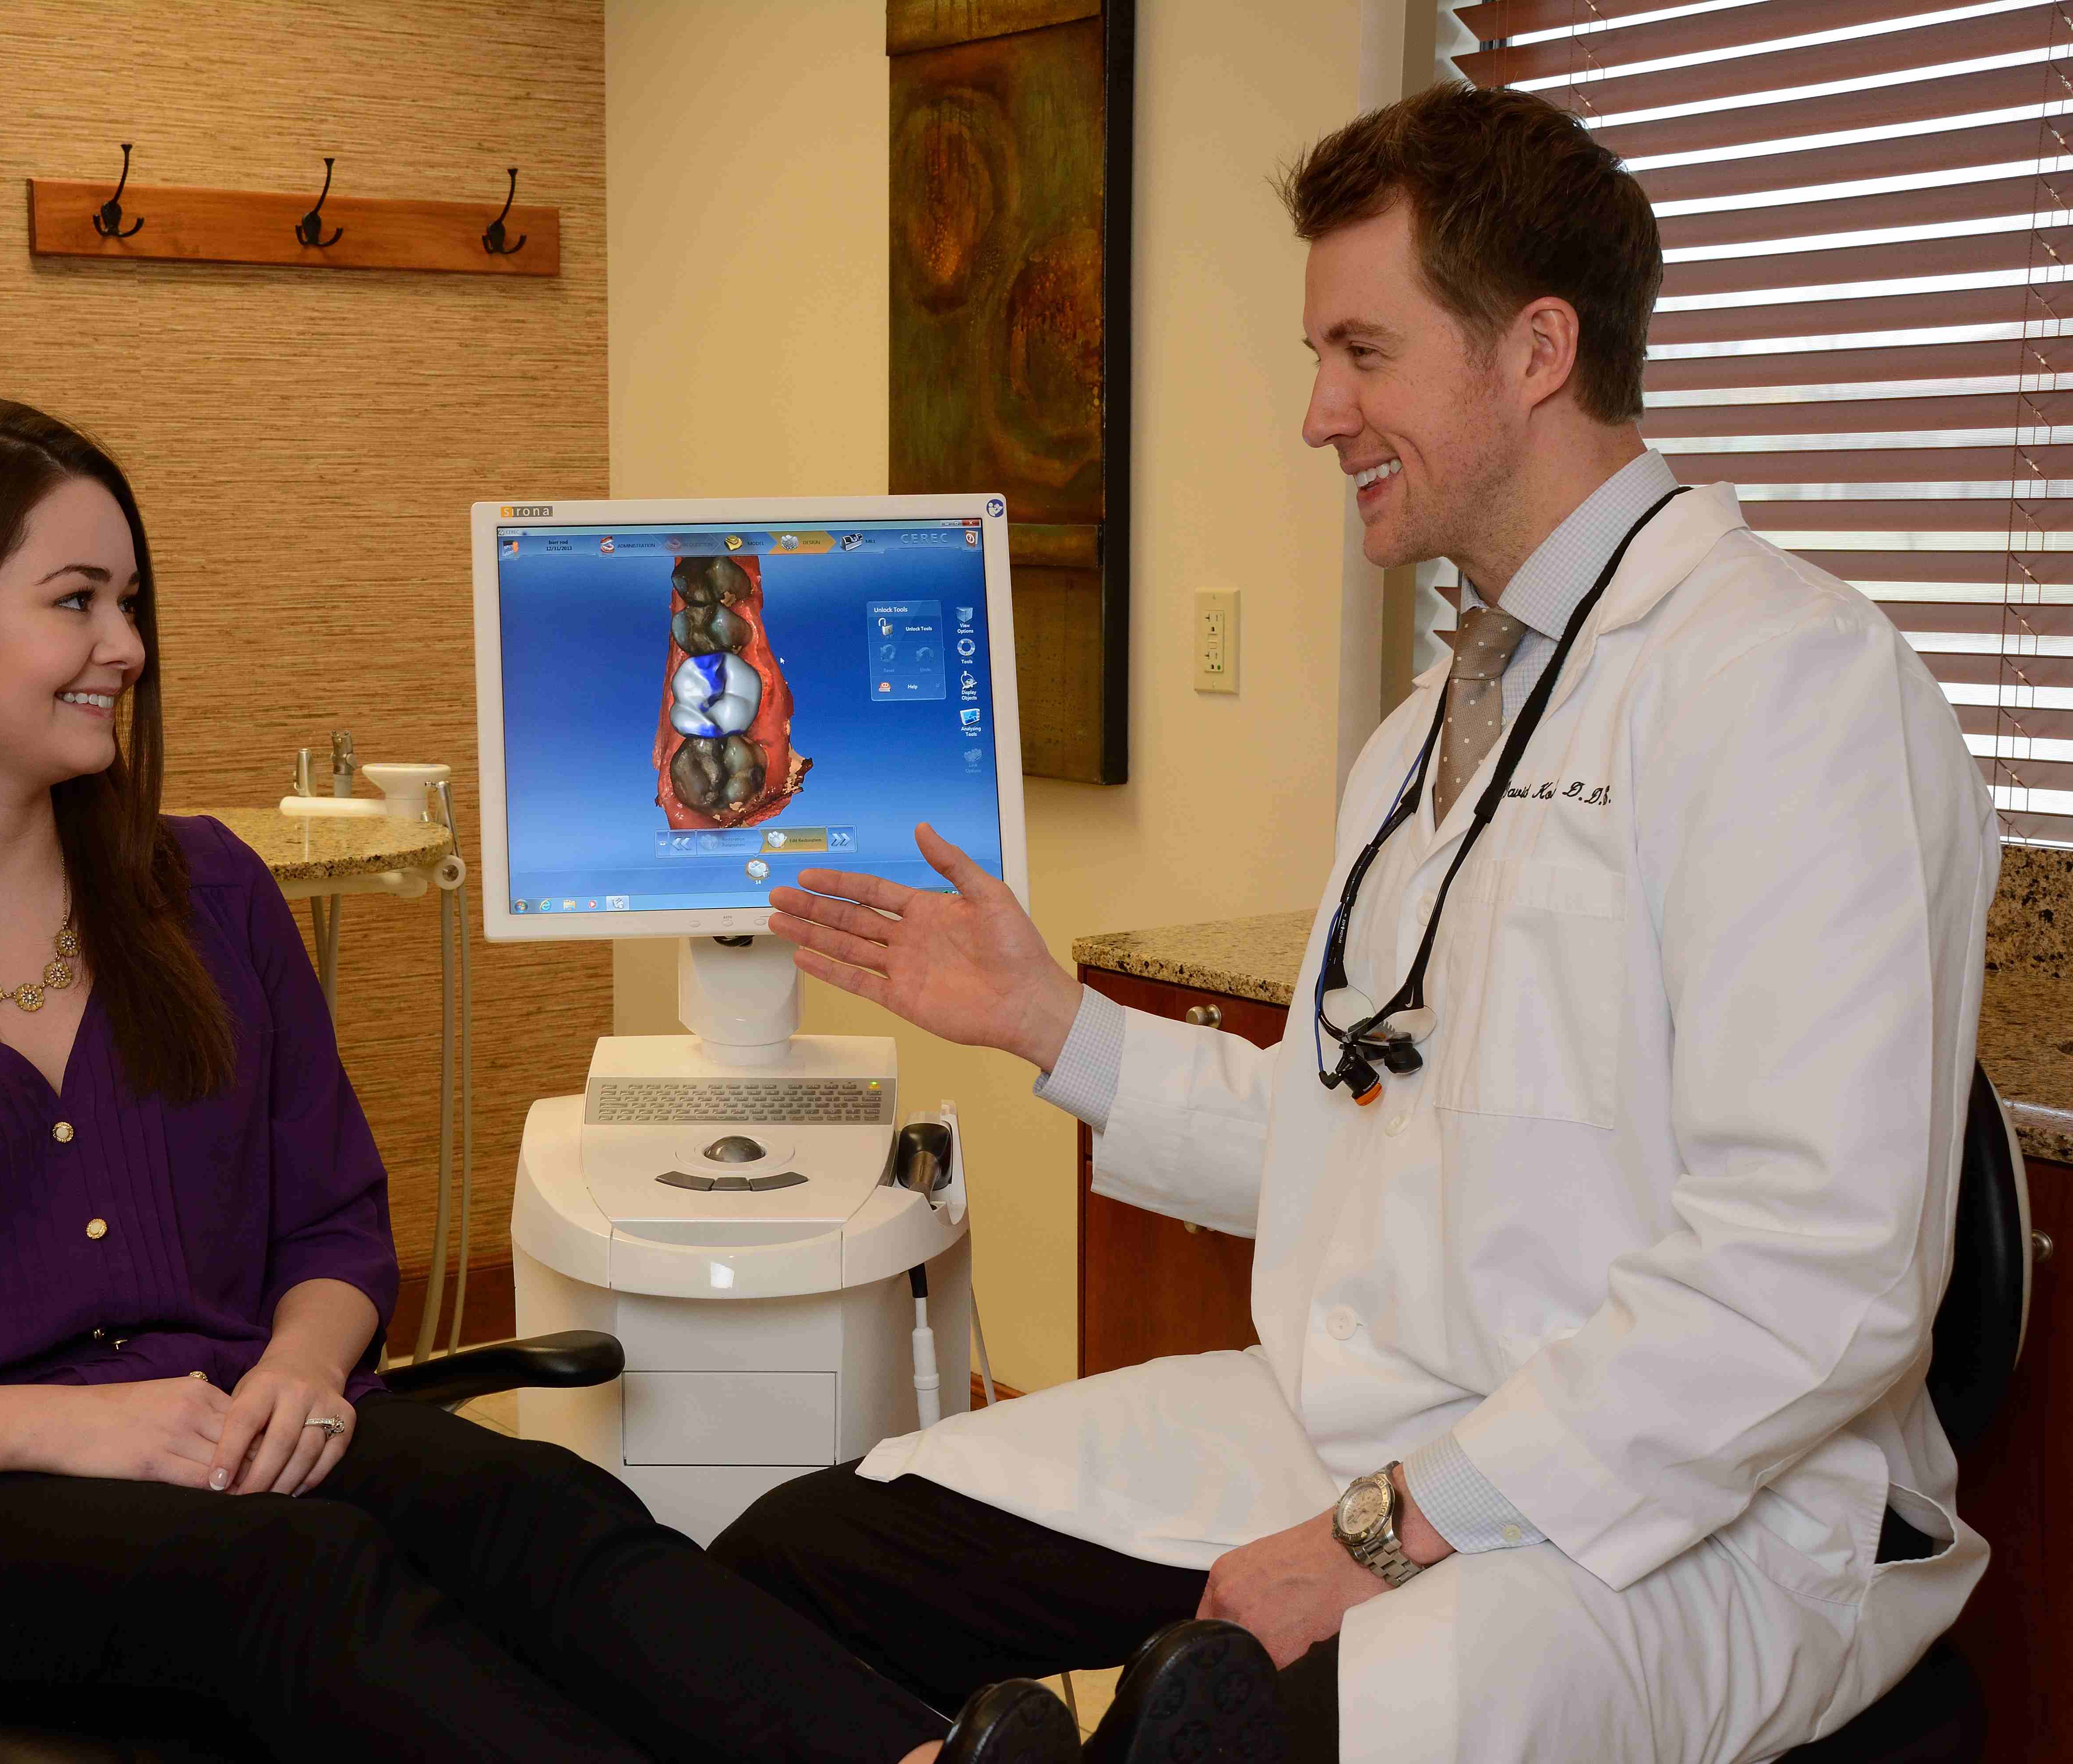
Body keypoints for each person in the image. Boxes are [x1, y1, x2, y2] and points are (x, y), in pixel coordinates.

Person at [0, 394, 1194, 1764]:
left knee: (538, 1511)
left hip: (237, 1430)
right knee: (299, 1586)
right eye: (77, 602)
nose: (129, 649)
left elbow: (334, 1229)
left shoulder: (205, 896)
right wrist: (61, 1430)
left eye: (131, 602)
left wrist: (305, 1371)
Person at [716, 82, 1997, 1764]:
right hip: (1363, 1425)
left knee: (1257, 1737)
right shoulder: (1422, 743)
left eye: (1363, 352)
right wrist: (1049, 1023)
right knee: (798, 1564)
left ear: (1537, 350)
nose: (1319, 413)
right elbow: (1363, 1146)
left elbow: (1812, 1271)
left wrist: (1385, 1533)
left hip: (1684, 1511)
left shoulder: (1791, 689)